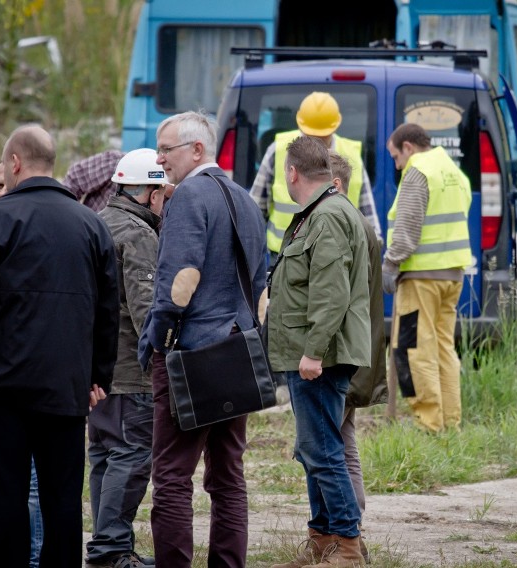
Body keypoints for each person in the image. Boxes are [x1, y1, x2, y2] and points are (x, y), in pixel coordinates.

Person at [0, 124, 120, 568]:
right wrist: (99, 376)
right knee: (62, 501)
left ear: (15, 163)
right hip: (66, 390)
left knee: (4, 500)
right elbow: (107, 310)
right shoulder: (91, 226)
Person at [137, 111, 267, 568]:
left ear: (197, 150)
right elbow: (261, 283)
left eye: (166, 149)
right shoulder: (244, 198)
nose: (159, 158)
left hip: (191, 356)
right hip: (238, 351)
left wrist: (158, 341)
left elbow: (178, 281)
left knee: (172, 475)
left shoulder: (190, 196)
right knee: (229, 475)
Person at [267, 135, 371, 568]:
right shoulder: (323, 211)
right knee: (316, 449)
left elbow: (330, 293)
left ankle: (347, 546)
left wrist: (312, 352)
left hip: (319, 356)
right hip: (312, 353)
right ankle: (323, 540)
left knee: (324, 451)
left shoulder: (327, 217)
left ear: (292, 173)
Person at [86, 149, 168, 568]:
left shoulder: (98, 223)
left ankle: (108, 544)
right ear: (150, 193)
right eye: (162, 192)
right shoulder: (138, 235)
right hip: (129, 373)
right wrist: (166, 360)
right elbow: (146, 312)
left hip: (97, 373)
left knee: (103, 455)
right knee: (131, 456)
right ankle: (111, 550)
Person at [381, 123, 472, 433]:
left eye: (396, 157)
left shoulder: (418, 171)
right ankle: (450, 423)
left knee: (413, 348)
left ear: (408, 147)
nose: (397, 165)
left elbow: (407, 227)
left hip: (421, 277)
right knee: (443, 348)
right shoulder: (453, 172)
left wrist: (390, 266)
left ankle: (429, 425)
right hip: (452, 276)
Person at [329, 152, 388, 564]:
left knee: (328, 448)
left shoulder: (341, 224)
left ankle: (345, 536)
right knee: (345, 443)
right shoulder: (360, 224)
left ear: (332, 182)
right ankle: (352, 530)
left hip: (339, 358)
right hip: (356, 355)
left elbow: (334, 299)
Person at [0, 161, 45, 568]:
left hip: (32, 377)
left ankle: (33, 554)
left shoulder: (36, 234)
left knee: (32, 481)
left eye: (4, 181)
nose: (0, 189)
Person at [250, 91, 381, 258]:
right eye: (311, 137)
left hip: (339, 257)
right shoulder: (279, 150)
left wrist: (371, 257)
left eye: (322, 138)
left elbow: (368, 218)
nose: (316, 144)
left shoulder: (351, 155)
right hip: (286, 256)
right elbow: (255, 212)